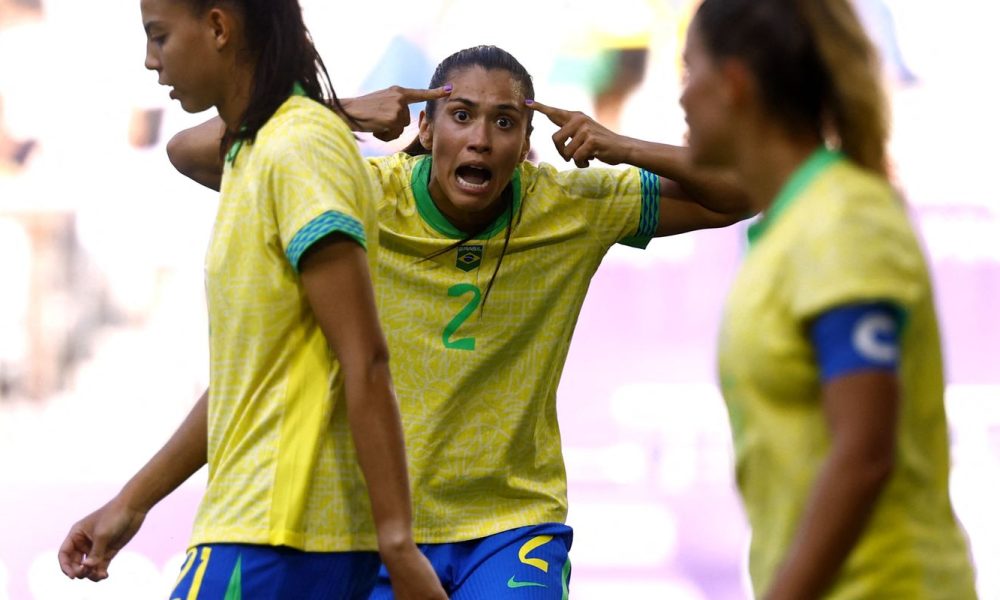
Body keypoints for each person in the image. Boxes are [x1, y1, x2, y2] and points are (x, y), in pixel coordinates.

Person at [167, 44, 751, 598]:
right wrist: (338, 113)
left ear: (526, 143)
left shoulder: (573, 205)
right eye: (461, 115)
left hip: (509, 527)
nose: (479, 139)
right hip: (374, 528)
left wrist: (621, 145)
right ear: (425, 128)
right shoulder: (361, 191)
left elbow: (742, 190)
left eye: (503, 122)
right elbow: (189, 151)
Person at [56, 0, 446, 598]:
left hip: (281, 537)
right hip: (260, 529)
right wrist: (131, 504)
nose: (148, 59)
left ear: (218, 27)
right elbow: (251, 380)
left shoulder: (300, 146)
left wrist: (398, 543)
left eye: (158, 36)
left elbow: (365, 358)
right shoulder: (256, 150)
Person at [679, 1, 977, 598]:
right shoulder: (791, 226)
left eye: (689, 73)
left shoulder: (843, 219)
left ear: (735, 85)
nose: (681, 98)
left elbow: (865, 454)